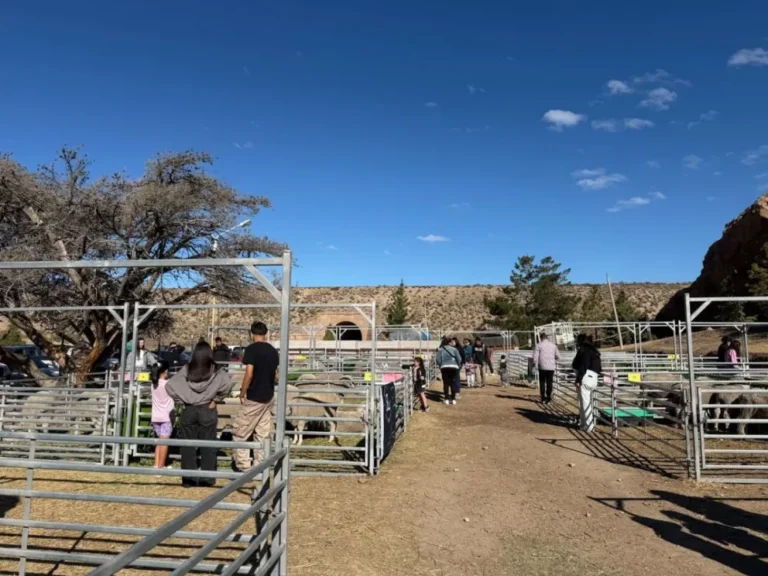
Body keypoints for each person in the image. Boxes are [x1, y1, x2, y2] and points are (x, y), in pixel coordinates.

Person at [166, 341, 233, 487]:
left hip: (189, 409)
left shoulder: (187, 369)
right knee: (208, 445)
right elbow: (228, 384)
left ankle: (189, 480)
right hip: (207, 409)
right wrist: (217, 399)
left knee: (187, 446)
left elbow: (169, 385)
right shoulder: (216, 370)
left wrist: (181, 400)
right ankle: (207, 479)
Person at [232, 321, 279, 472]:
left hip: (254, 396)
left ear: (252, 334)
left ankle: (244, 467)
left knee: (241, 431)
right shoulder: (272, 351)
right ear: (265, 333)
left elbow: (249, 373)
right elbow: (275, 374)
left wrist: (243, 391)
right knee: (263, 433)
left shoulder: (252, 350)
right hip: (268, 396)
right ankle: (261, 465)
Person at [572, 334, 602, 432]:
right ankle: (584, 424)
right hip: (594, 377)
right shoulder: (595, 352)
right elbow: (599, 368)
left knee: (585, 403)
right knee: (584, 402)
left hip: (585, 377)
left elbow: (583, 365)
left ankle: (588, 425)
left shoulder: (584, 350)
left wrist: (578, 379)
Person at [150, 361, 174, 470]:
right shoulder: (168, 384)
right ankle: (161, 466)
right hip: (166, 416)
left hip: (155, 416)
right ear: (164, 372)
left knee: (158, 441)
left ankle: (156, 464)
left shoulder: (153, 384)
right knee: (164, 442)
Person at [533, 333, 560, 404]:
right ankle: (549, 398)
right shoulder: (553, 345)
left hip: (542, 366)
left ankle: (543, 398)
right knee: (549, 382)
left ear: (541, 338)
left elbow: (535, 356)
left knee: (542, 382)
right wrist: (554, 359)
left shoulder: (539, 345)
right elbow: (558, 356)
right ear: (547, 338)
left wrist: (534, 363)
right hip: (551, 367)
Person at [436, 337, 462, 405]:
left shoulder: (440, 350)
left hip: (444, 367)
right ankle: (453, 399)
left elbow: (438, 360)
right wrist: (457, 364)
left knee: (446, 384)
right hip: (454, 367)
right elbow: (459, 359)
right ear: (449, 342)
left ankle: (446, 399)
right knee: (453, 383)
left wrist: (440, 365)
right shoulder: (454, 349)